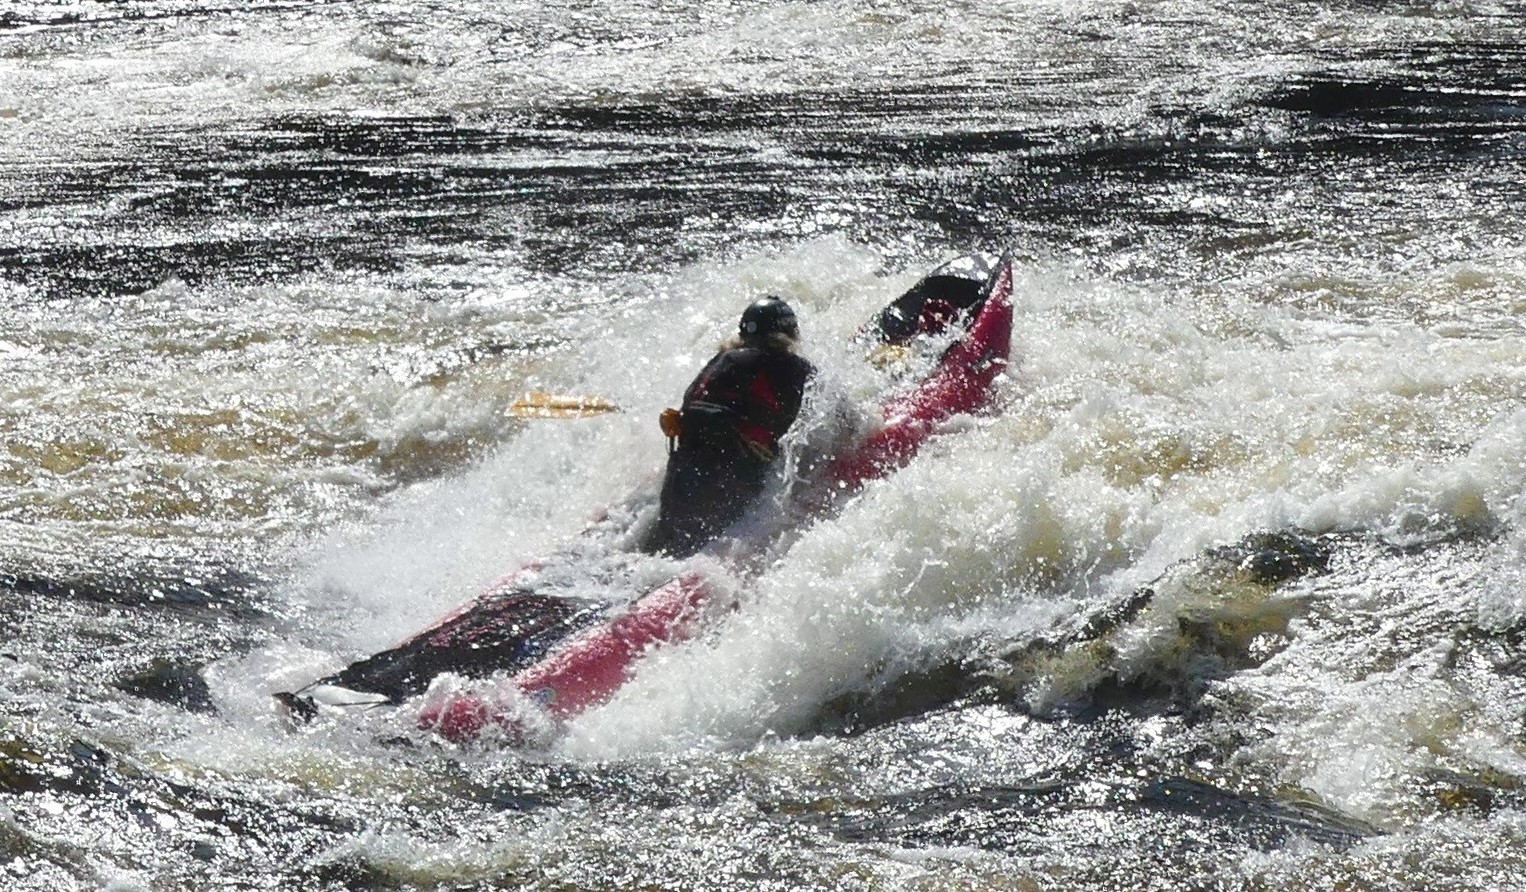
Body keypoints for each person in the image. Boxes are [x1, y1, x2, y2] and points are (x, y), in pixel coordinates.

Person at [645, 296, 816, 559]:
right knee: (697, 555)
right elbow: (836, 413)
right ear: (789, 334)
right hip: (730, 482)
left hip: (679, 478)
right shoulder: (791, 367)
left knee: (664, 552)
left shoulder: (720, 360)